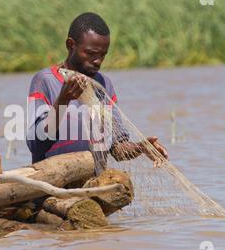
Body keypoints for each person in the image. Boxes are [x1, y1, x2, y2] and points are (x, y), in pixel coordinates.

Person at [26, 12, 168, 170]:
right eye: (91, 53)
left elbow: (117, 149)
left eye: (103, 55)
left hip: (94, 184)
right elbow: (36, 144)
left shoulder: (104, 85)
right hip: (53, 184)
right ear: (70, 45)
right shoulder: (45, 81)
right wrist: (63, 100)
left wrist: (141, 147)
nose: (98, 61)